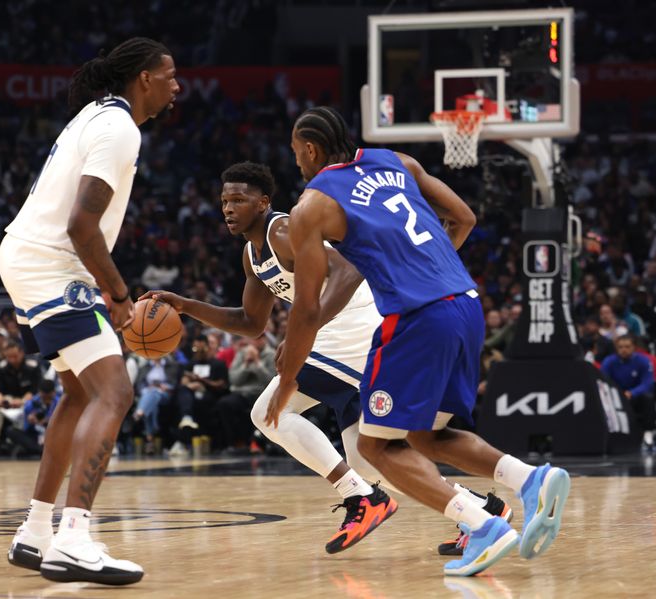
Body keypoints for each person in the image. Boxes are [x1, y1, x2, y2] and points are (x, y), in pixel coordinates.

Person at [146, 162, 511, 556]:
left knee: (268, 412)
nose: (229, 208)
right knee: (371, 463)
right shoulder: (253, 256)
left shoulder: (283, 230)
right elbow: (250, 322)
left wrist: (309, 327)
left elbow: (349, 269)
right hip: (335, 333)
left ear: (263, 202)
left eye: (239, 199)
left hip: (356, 324)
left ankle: (360, 498)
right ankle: (482, 510)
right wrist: (185, 305)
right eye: (224, 201)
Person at [270, 106, 570, 577]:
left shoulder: (312, 205)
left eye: (295, 153)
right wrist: (428, 271)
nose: (296, 163)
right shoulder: (397, 161)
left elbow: (307, 309)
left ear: (309, 149)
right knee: (427, 434)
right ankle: (532, 479)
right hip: (466, 303)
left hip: (418, 317)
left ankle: (482, 526)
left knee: (375, 447)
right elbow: (464, 217)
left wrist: (288, 376)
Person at [0, 37, 178, 585]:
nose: (176, 85)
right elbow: (81, 225)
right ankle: (75, 537)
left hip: (27, 256)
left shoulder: (94, 116)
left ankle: (36, 531)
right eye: (168, 75)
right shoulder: (119, 128)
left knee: (79, 393)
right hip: (53, 263)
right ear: (143, 78)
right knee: (115, 392)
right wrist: (119, 296)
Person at [601, 334, 656, 450]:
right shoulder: (609, 361)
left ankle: (648, 432)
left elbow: (648, 383)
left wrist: (632, 393)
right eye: (620, 347)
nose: (624, 350)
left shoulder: (643, 361)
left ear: (634, 347)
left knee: (648, 397)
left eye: (627, 347)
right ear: (616, 348)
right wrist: (617, 394)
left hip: (635, 397)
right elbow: (603, 382)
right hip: (615, 397)